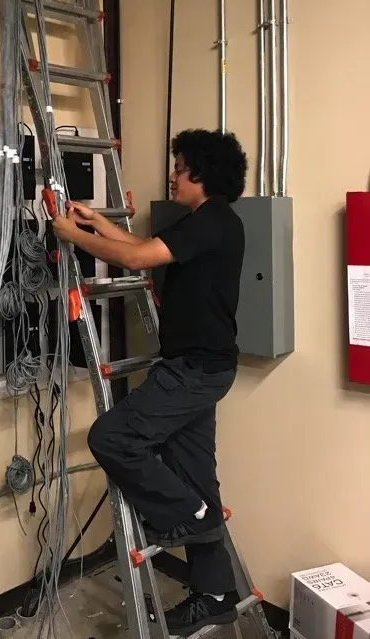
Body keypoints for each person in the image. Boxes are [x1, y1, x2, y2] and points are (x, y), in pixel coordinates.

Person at [51, 128, 248, 636]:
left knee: (111, 437)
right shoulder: (204, 222)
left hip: (193, 371)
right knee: (198, 476)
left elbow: (137, 261)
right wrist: (96, 222)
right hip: (202, 368)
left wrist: (72, 236)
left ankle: (188, 512)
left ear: (201, 173)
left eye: (179, 166)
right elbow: (142, 247)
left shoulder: (215, 222)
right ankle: (218, 593)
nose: (172, 174)